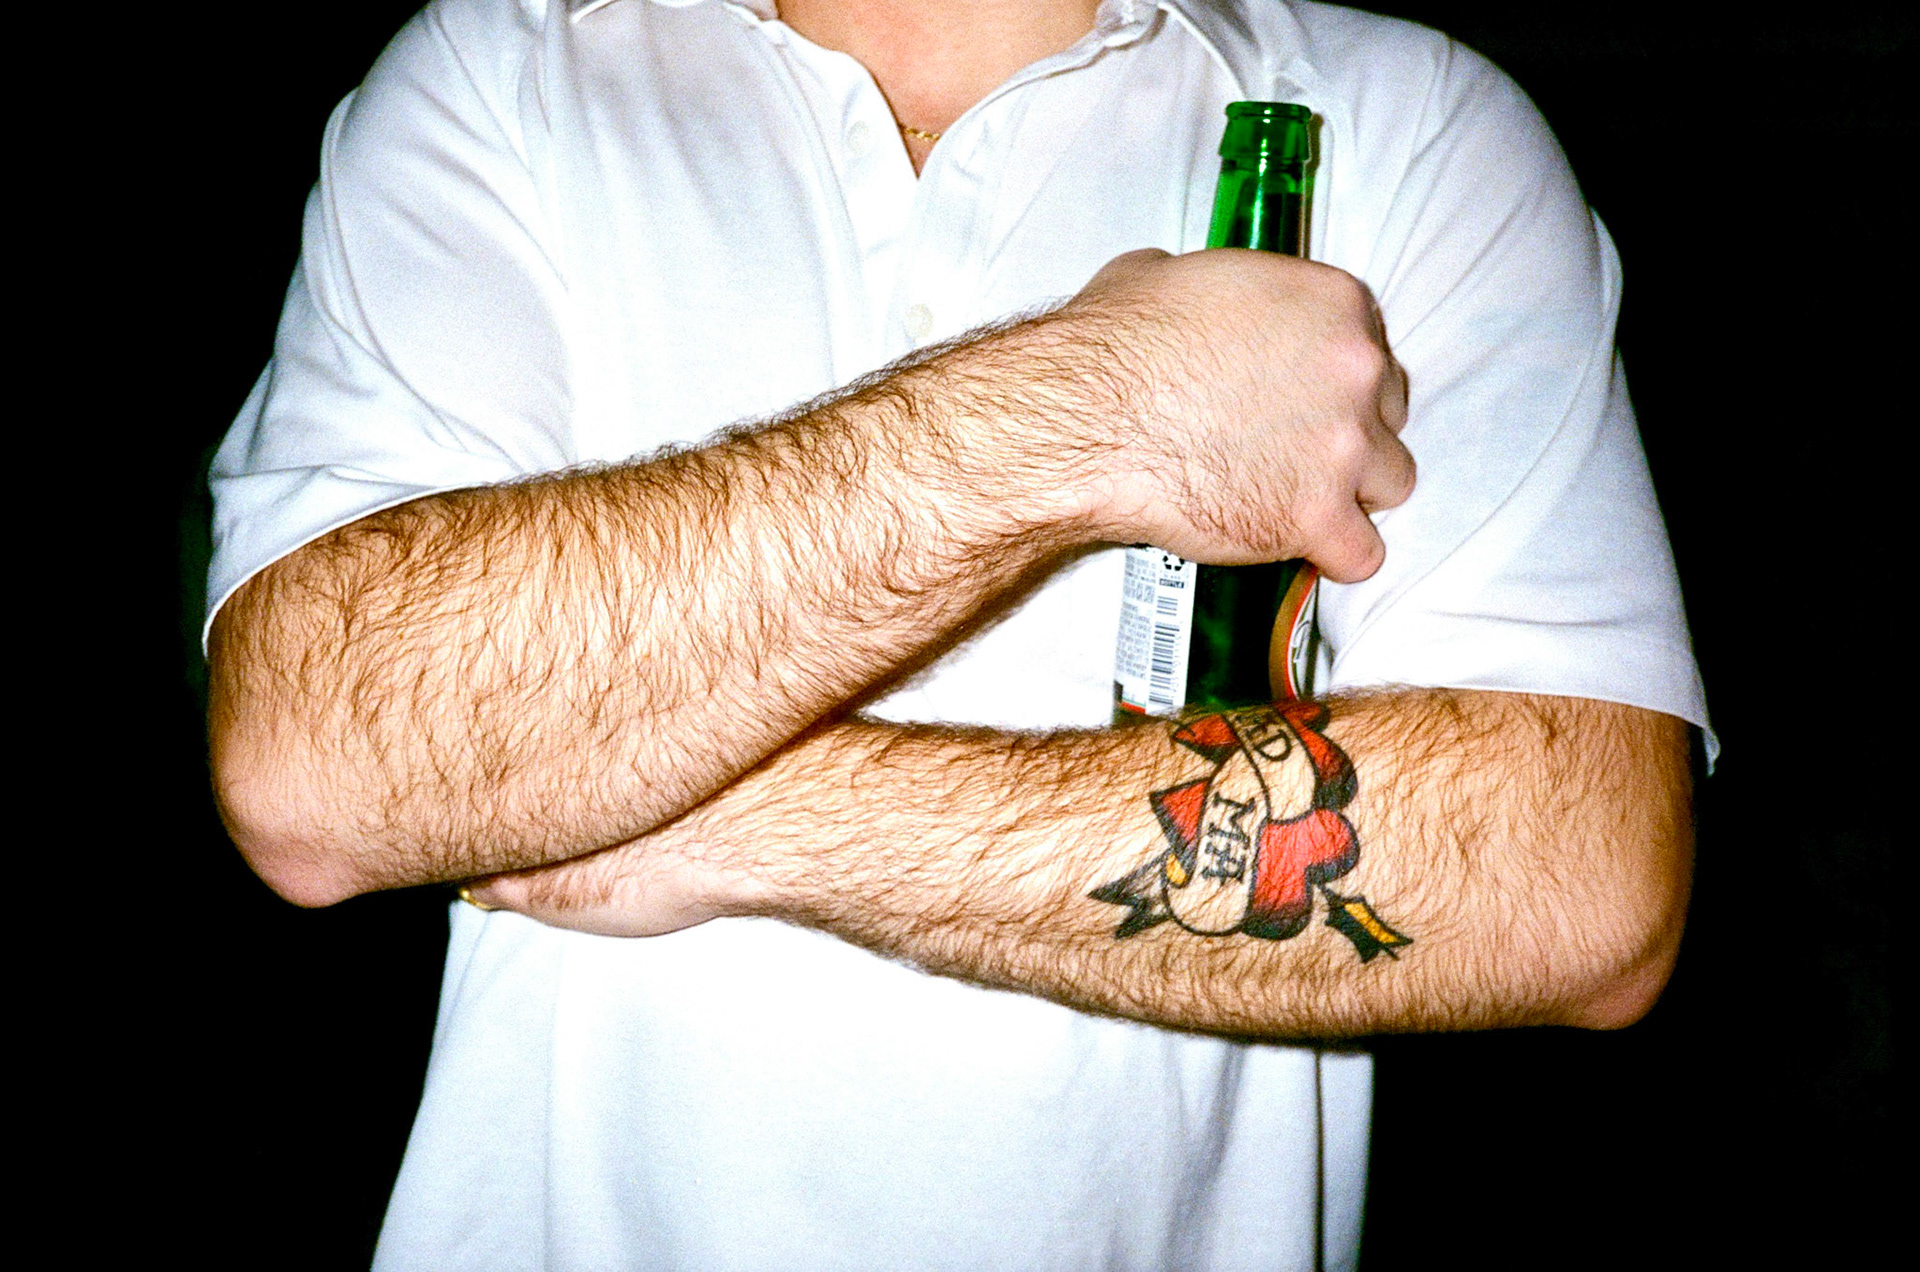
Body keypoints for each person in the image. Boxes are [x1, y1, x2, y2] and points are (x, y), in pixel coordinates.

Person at [205, 0, 1710, 1265]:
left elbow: (1576, 875)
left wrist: (738, 814)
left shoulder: (1411, 122)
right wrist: (1090, 406)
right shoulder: (502, 69)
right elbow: (314, 767)